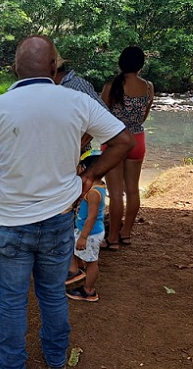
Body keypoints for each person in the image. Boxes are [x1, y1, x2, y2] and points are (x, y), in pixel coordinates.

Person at [0, 35, 134, 369]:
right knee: (51, 293)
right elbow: (123, 141)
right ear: (52, 67)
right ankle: (57, 360)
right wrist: (91, 175)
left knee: (12, 302)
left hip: (10, 223)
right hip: (59, 221)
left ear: (15, 69)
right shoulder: (77, 100)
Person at [100, 46, 154, 250]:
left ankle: (112, 238)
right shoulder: (148, 87)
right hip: (137, 139)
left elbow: (101, 116)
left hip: (115, 140)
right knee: (132, 190)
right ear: (141, 65)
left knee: (115, 193)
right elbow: (144, 116)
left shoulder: (111, 86)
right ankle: (126, 233)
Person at [65, 151, 106, 302]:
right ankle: (76, 272)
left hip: (90, 233)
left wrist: (83, 237)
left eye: (81, 168)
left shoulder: (94, 193)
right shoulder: (98, 186)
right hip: (88, 231)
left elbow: (92, 217)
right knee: (75, 250)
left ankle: (88, 291)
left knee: (92, 262)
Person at [53, 53, 108, 153]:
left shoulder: (77, 85)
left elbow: (103, 114)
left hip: (76, 154)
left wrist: (81, 144)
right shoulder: (54, 87)